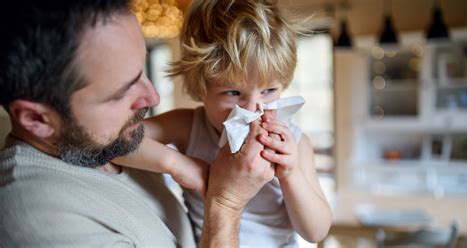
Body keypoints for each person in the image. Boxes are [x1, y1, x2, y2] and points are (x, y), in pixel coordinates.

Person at [0, 0, 275, 247]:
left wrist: (176, 164)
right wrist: (226, 204)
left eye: (141, 71)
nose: (152, 97)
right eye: (121, 93)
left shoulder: (108, 142)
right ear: (37, 119)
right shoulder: (38, 219)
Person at [115, 0, 332, 246]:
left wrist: (291, 174)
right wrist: (179, 164)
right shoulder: (189, 126)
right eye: (232, 93)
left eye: (269, 90)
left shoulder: (295, 143)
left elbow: (316, 232)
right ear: (201, 89)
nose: (253, 109)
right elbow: (115, 139)